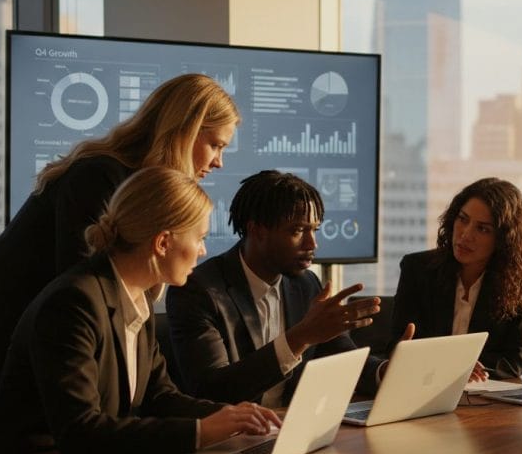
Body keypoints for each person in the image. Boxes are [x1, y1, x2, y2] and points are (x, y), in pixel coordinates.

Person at [0, 73, 238, 424]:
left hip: (46, 324)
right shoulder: (99, 175)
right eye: (216, 145)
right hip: (0, 324)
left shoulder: (131, 180)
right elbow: (84, 283)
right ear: (185, 130)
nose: (219, 161)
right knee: (24, 446)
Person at [0, 167, 280, 454]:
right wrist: (202, 432)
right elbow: (79, 432)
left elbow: (160, 397)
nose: (202, 251)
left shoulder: (133, 296)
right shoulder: (74, 302)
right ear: (163, 242)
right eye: (199, 238)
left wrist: (231, 416)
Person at [166, 170, 404, 407]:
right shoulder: (198, 290)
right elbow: (213, 391)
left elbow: (341, 354)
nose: (312, 244)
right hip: (229, 434)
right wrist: (300, 337)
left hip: (290, 425)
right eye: (297, 231)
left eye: (314, 230)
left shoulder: (306, 283)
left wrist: (385, 372)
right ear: (257, 230)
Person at [390, 177, 522, 381]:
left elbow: (516, 359)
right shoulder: (418, 269)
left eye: (483, 229)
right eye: (463, 219)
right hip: (423, 386)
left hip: (480, 393)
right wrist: (453, 366)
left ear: (503, 240)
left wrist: (477, 369)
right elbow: (398, 344)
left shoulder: (517, 277)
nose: (466, 235)